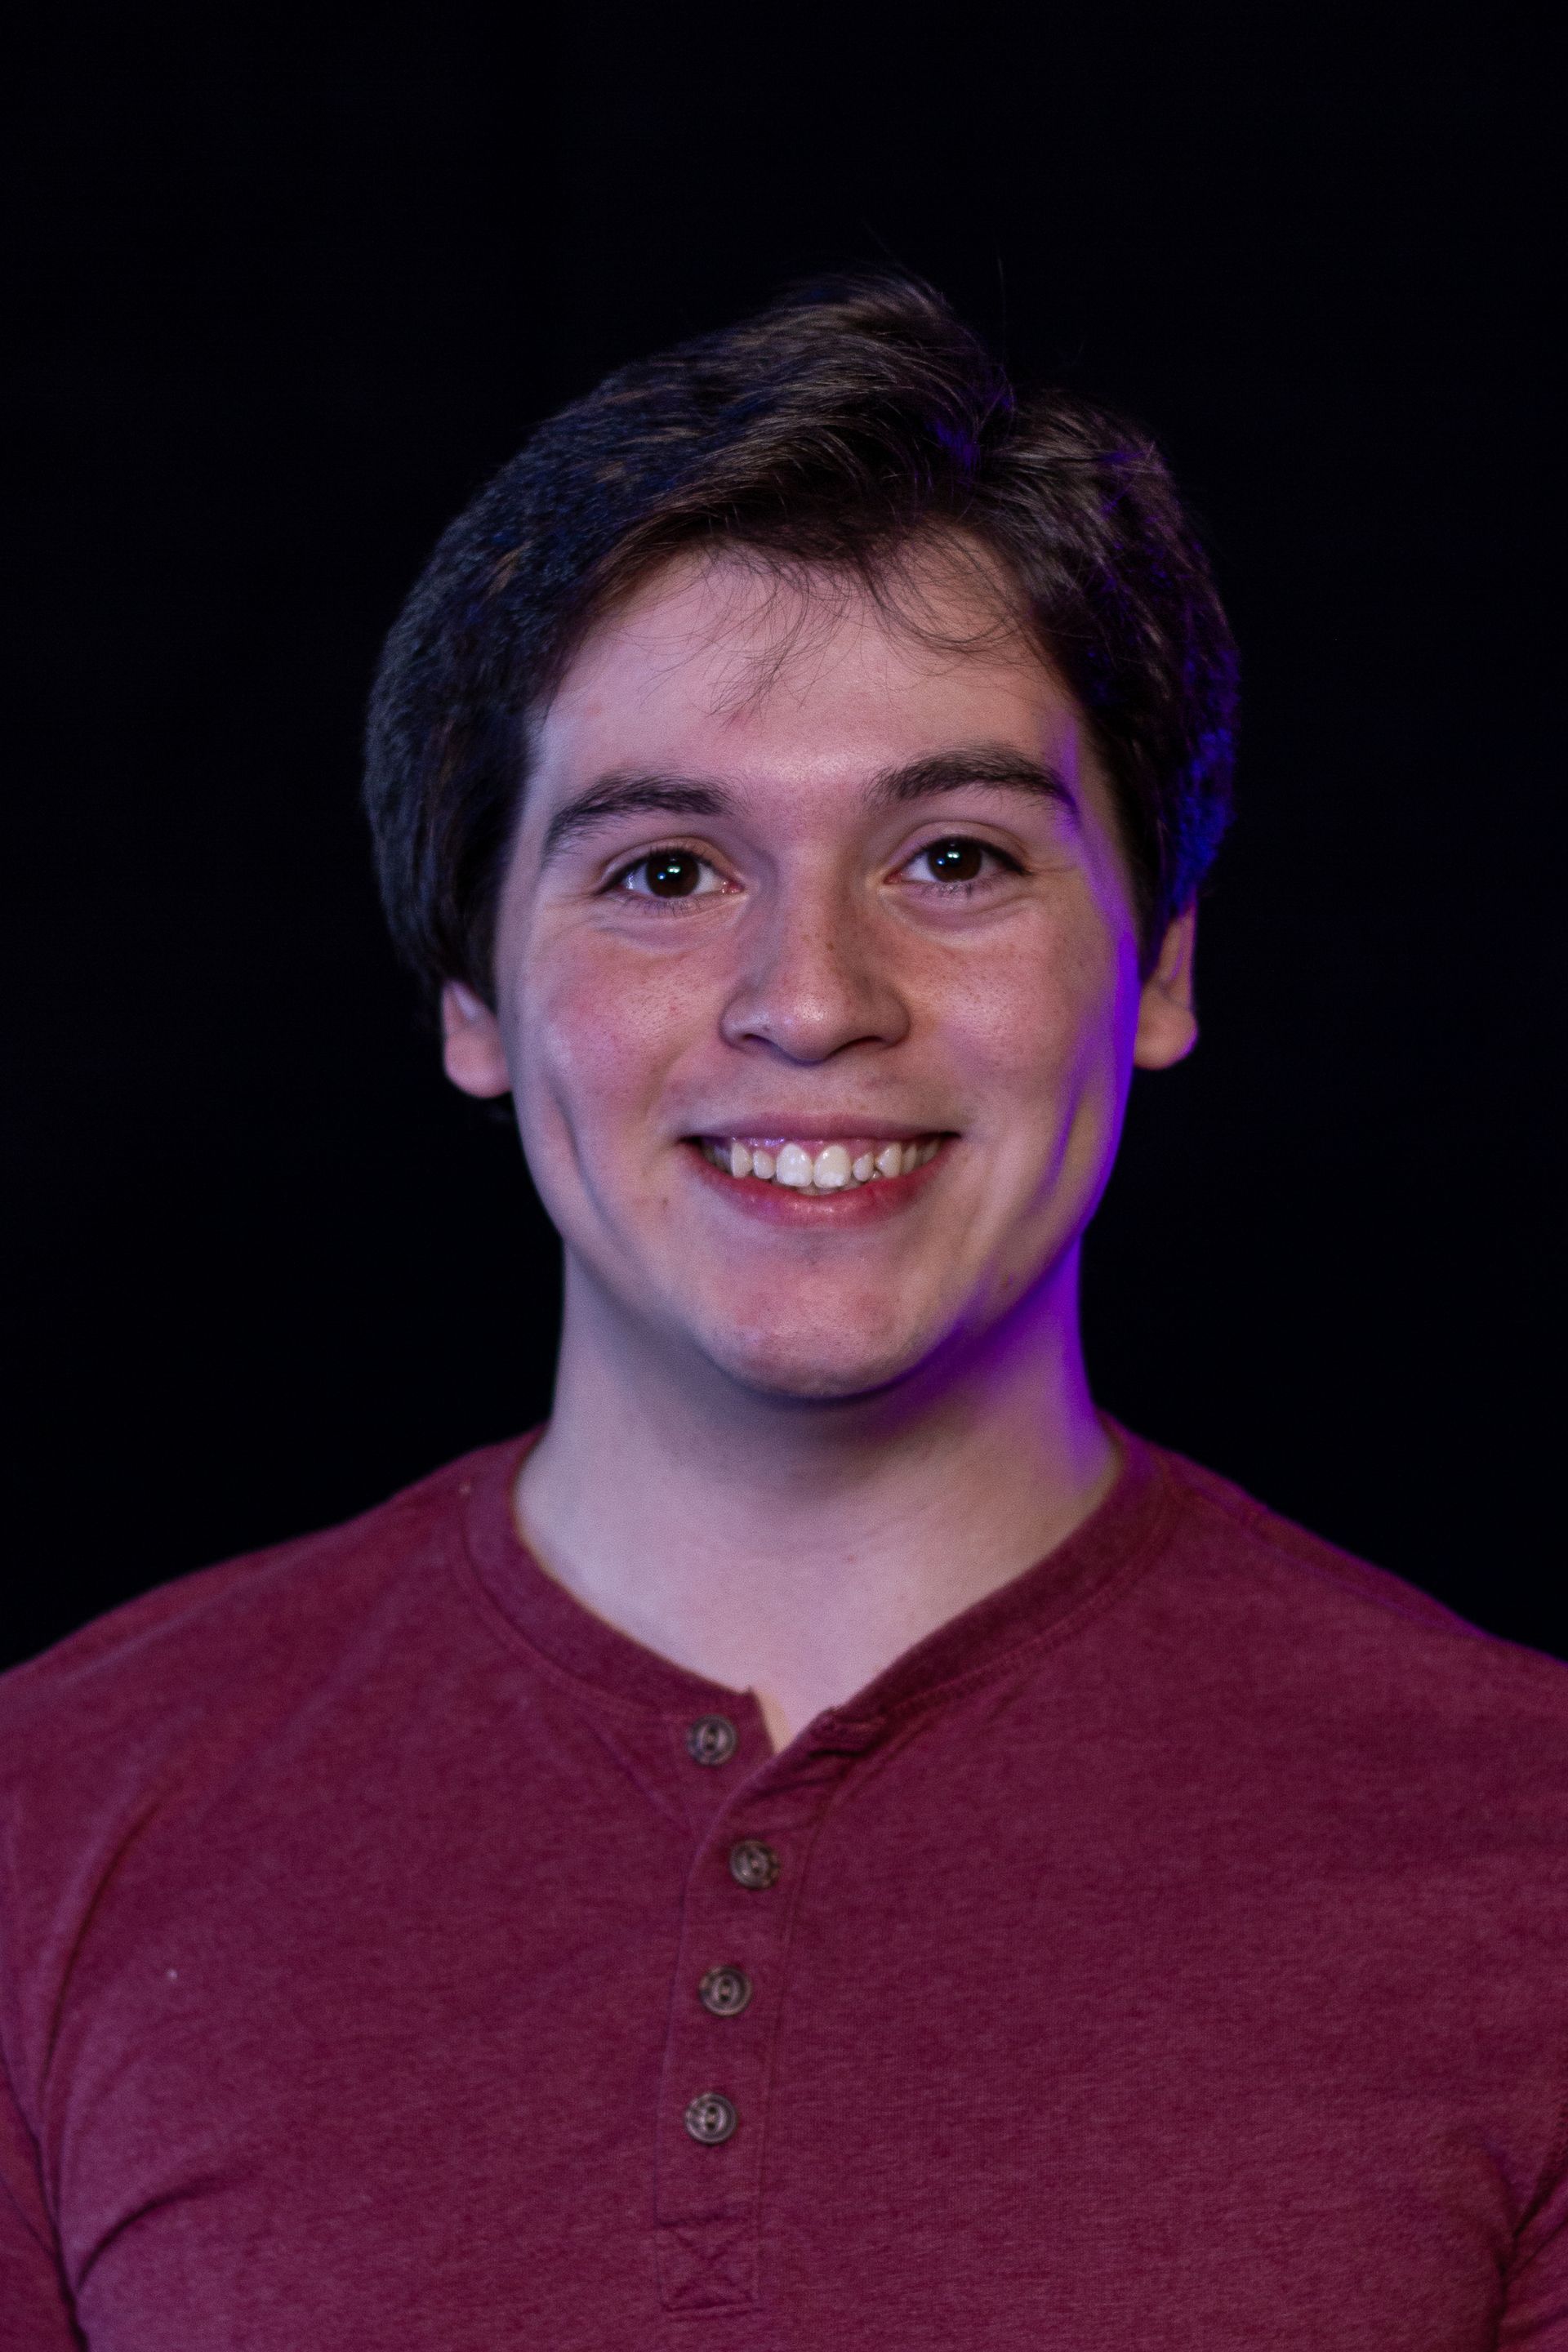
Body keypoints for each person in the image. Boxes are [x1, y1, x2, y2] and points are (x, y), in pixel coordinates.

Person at [2, 278, 1566, 2352]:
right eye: (662, 872)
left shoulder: (1527, 1846)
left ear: (1161, 966)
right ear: (471, 993)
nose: (812, 998)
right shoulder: (50, 1819)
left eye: (953, 856)